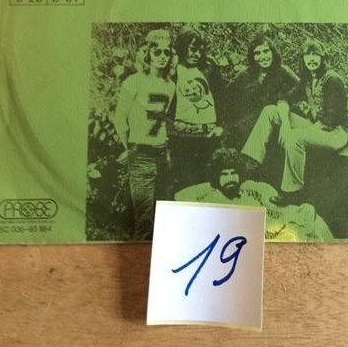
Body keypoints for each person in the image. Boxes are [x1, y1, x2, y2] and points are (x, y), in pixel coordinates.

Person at [241, 38, 348, 200]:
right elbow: (284, 99)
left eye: (315, 55)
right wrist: (285, 125)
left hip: (334, 133)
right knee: (270, 111)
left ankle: (292, 191)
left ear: (323, 58)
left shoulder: (332, 79)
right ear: (303, 58)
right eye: (307, 55)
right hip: (315, 127)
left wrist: (295, 132)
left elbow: (330, 120)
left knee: (295, 137)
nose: (311, 59)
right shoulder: (307, 79)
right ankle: (251, 164)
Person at [174, 147, 334, 241]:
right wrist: (211, 185)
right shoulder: (211, 196)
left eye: (233, 173)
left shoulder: (248, 189)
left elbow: (269, 196)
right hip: (244, 237)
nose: (230, 179)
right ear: (216, 177)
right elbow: (180, 196)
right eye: (224, 175)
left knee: (309, 213)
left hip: (268, 229)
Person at [112, 29, 176, 240]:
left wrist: (166, 150)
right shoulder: (134, 81)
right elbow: (120, 118)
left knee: (164, 215)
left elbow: (163, 120)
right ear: (147, 53)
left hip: (162, 154)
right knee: (144, 218)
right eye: (157, 52)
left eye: (167, 52)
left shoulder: (170, 85)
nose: (162, 57)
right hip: (141, 154)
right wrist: (129, 147)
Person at [167, 27, 224, 192]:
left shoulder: (209, 68)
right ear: (182, 47)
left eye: (200, 50)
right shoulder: (171, 70)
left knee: (209, 185)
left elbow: (223, 99)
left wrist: (221, 126)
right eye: (192, 49)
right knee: (186, 186)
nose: (196, 54)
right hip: (181, 139)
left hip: (209, 137)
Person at [223, 34, 299, 148]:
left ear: (272, 52)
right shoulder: (244, 74)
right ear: (252, 56)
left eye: (266, 51)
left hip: (272, 126)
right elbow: (226, 98)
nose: (263, 57)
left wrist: (285, 97)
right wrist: (226, 124)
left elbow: (301, 87)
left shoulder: (283, 71)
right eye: (257, 53)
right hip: (246, 127)